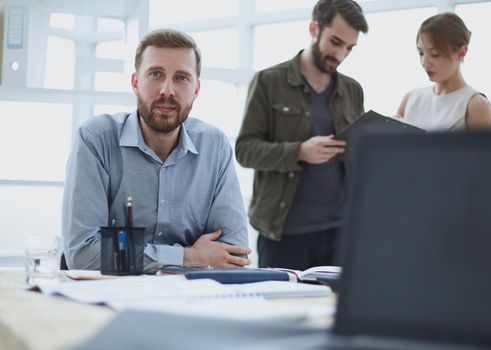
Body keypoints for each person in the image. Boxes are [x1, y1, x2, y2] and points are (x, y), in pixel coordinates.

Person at [62, 29, 251, 271]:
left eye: (181, 77)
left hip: (187, 297)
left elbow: (233, 254)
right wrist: (188, 256)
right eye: (155, 74)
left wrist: (125, 252)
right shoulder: (95, 139)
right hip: (109, 294)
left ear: (196, 89)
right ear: (135, 82)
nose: (167, 90)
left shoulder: (214, 146)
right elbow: (83, 253)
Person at [235, 0, 368, 270]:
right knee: (280, 310)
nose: (340, 54)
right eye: (335, 42)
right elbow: (245, 150)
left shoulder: (353, 90)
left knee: (335, 311)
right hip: (284, 233)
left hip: (340, 232)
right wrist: (299, 152)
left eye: (349, 48)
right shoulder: (269, 82)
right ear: (313, 29)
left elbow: (356, 156)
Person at [397, 12, 491, 130]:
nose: (425, 62)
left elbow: (483, 149)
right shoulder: (410, 99)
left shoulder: (475, 105)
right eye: (421, 53)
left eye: (435, 54)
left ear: (462, 52)